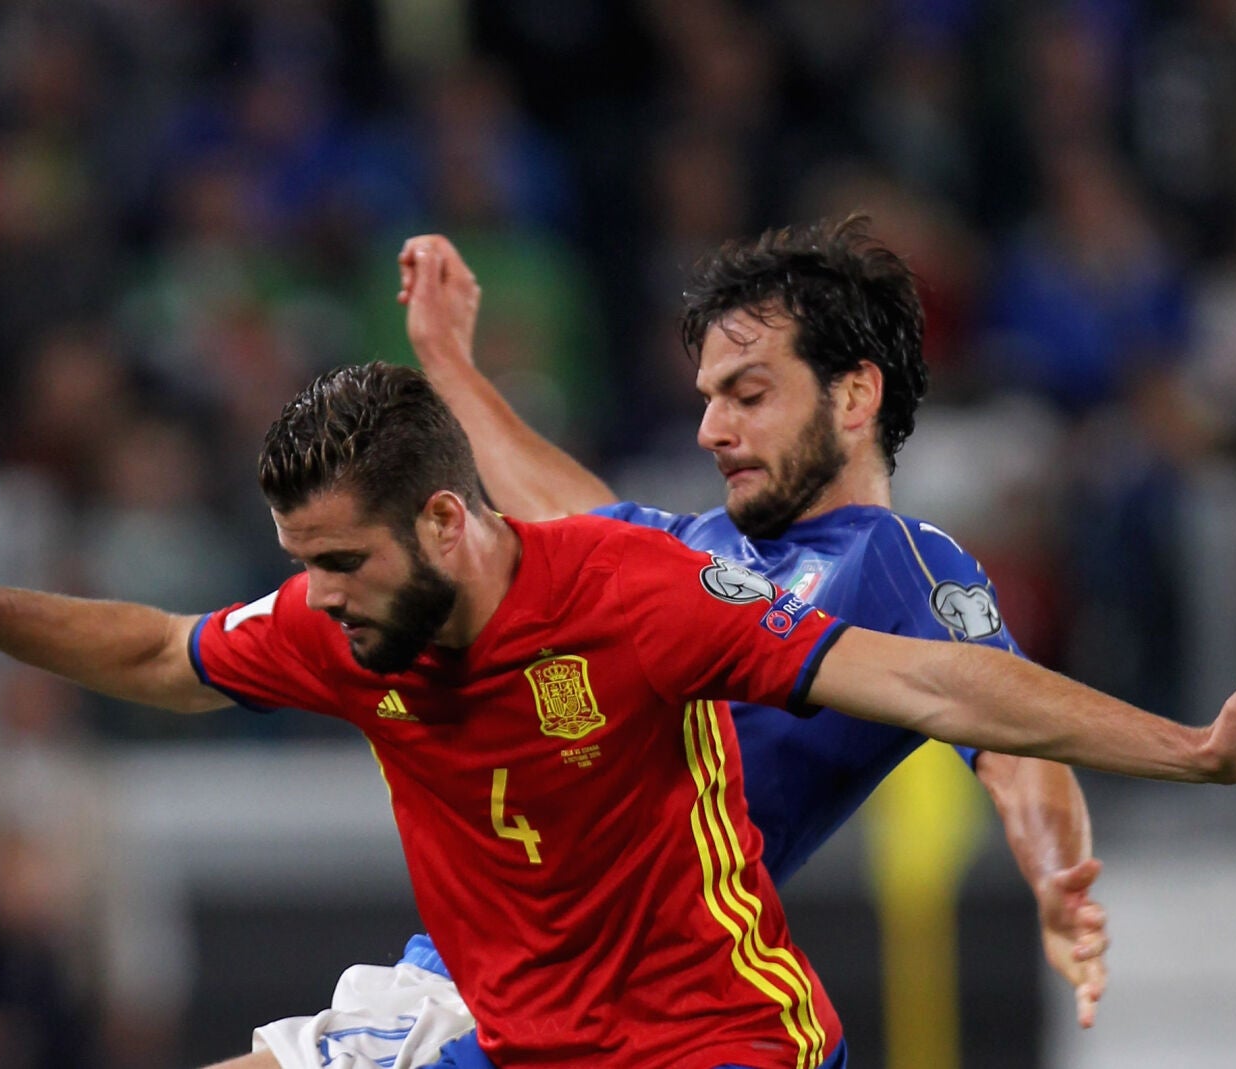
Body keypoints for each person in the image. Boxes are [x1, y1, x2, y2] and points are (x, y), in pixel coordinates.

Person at [0, 363, 1236, 1069]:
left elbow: (930, 679)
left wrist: (1195, 749)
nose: (310, 601)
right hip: (493, 1022)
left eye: (336, 562)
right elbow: (158, 653)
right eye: (297, 566)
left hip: (705, 1042)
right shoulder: (341, 624)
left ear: (448, 521)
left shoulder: (642, 595)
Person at [221, 219, 1122, 1069]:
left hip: (641, 1004)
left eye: (749, 394)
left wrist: (1057, 871)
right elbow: (561, 504)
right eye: (709, 398)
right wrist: (449, 363)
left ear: (854, 394)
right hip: (494, 963)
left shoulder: (903, 567)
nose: (712, 428)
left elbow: (1013, 731)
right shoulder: (677, 553)